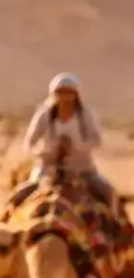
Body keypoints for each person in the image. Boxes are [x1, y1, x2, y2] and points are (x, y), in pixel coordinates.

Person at [13, 72, 114, 207]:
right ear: (53, 94)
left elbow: (97, 140)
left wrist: (76, 147)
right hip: (47, 170)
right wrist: (47, 151)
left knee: (108, 192)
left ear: (76, 95)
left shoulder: (85, 115)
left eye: (69, 93)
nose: (65, 97)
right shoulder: (44, 114)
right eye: (60, 93)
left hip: (81, 170)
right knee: (19, 196)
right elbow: (29, 143)